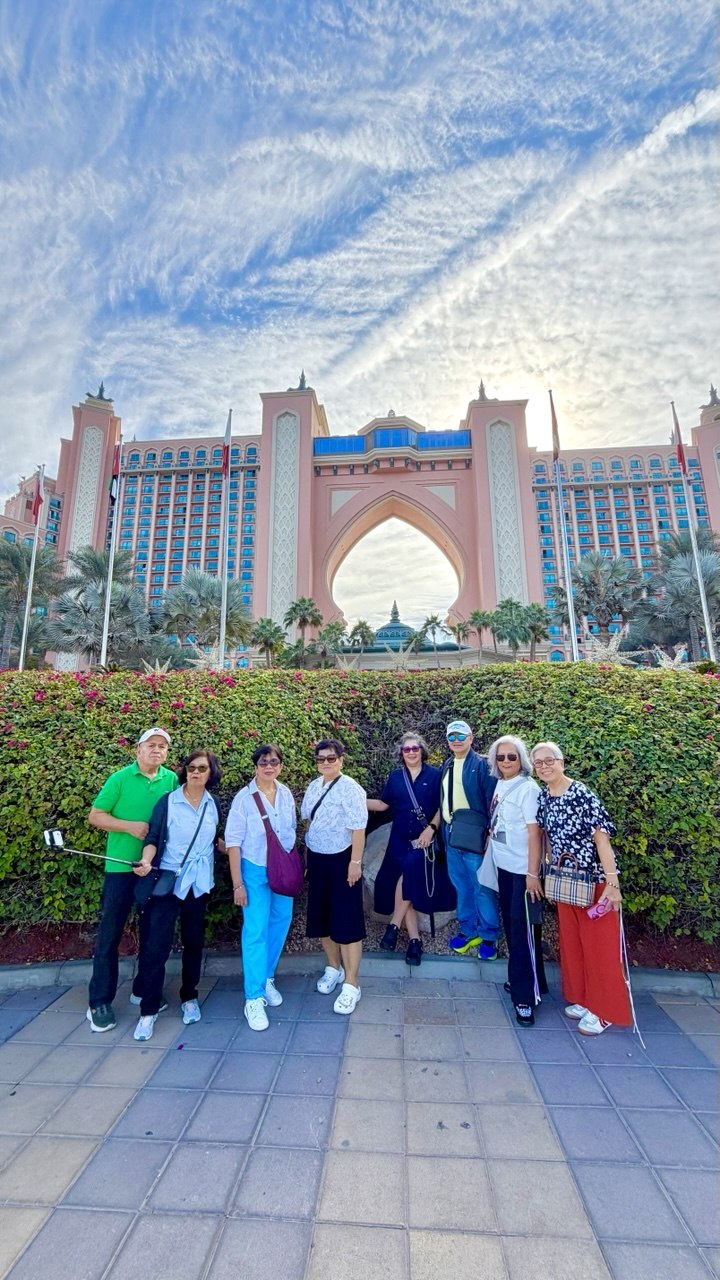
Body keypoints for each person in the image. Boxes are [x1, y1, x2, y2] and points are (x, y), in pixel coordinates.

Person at [532, 740, 630, 1036]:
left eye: (550, 760)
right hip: (566, 883)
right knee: (575, 944)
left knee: (600, 947)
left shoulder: (582, 794)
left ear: (561, 762)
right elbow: (545, 835)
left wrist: (612, 883)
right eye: (539, 763)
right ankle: (587, 999)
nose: (545, 766)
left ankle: (606, 1010)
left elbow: (602, 840)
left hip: (595, 882)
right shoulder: (545, 797)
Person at [86, 727, 178, 1032]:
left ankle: (143, 991)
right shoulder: (120, 778)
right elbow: (96, 816)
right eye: (151, 745)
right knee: (109, 935)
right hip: (120, 870)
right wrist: (128, 827)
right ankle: (99, 1001)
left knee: (153, 936)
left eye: (162, 747)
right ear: (137, 750)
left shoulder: (171, 779)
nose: (157, 751)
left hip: (153, 870)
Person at [132, 749, 222, 1041]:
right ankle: (148, 1011)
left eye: (202, 768)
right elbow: (153, 838)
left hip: (199, 884)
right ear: (185, 771)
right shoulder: (168, 802)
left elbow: (216, 841)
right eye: (191, 767)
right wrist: (147, 860)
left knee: (194, 942)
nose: (195, 772)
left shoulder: (213, 804)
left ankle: (189, 997)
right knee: (156, 946)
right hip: (170, 882)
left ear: (211, 773)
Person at [225, 744, 298, 1032]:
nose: (269, 767)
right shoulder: (244, 799)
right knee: (255, 930)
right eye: (264, 762)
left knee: (281, 920)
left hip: (281, 869)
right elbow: (233, 843)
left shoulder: (286, 793)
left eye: (275, 762)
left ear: (280, 765)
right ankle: (253, 997)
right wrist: (237, 884)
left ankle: (266, 977)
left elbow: (290, 829)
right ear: (256, 765)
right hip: (254, 869)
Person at [368, 731, 454, 966]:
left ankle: (394, 926)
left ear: (422, 750)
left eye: (415, 748)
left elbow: (442, 807)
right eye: (407, 749)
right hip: (399, 838)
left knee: (408, 873)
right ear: (401, 753)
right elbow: (383, 804)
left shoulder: (435, 775)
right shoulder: (396, 777)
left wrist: (431, 830)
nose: (411, 752)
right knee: (406, 881)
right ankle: (415, 941)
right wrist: (353, 799)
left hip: (422, 840)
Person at [301, 739, 368, 1015]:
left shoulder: (351, 788)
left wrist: (355, 862)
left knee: (347, 921)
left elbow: (358, 828)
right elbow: (308, 821)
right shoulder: (314, 786)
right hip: (317, 859)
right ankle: (334, 967)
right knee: (322, 918)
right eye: (320, 759)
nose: (326, 763)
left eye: (331, 758)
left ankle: (352, 983)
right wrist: (306, 858)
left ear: (341, 759)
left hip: (343, 859)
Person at [485, 736, 547, 1026]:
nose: (506, 762)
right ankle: (525, 980)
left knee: (522, 932)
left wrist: (533, 874)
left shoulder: (529, 789)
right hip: (505, 867)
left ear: (521, 759)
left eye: (512, 757)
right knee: (512, 926)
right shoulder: (501, 783)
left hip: (523, 871)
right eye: (501, 757)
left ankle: (525, 997)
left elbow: (535, 834)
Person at [439, 720, 498, 958]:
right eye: (451, 736)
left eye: (460, 736)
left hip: (475, 837)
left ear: (471, 738)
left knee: (482, 888)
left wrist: (488, 837)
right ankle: (468, 929)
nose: (456, 740)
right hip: (452, 835)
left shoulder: (483, 765)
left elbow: (492, 802)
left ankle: (489, 936)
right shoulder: (448, 764)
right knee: (462, 887)